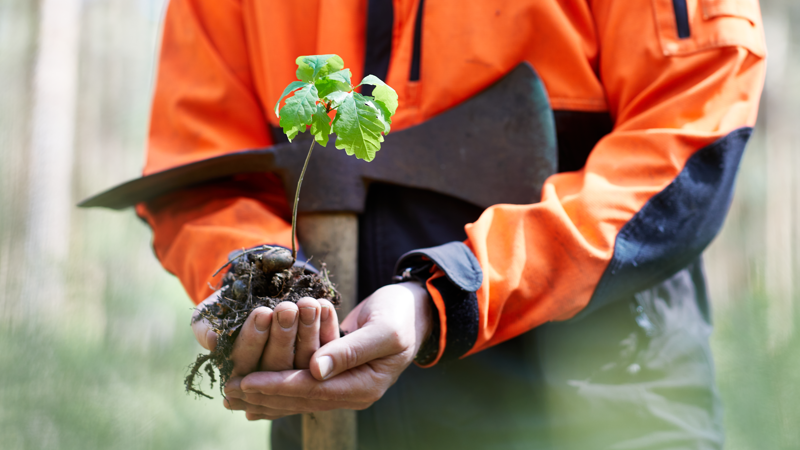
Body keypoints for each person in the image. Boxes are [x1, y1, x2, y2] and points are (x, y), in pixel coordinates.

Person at [135, 0, 766, 448]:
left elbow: (692, 129)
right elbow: (201, 170)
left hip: (606, 398)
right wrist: (258, 290)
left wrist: (447, 293)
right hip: (333, 413)